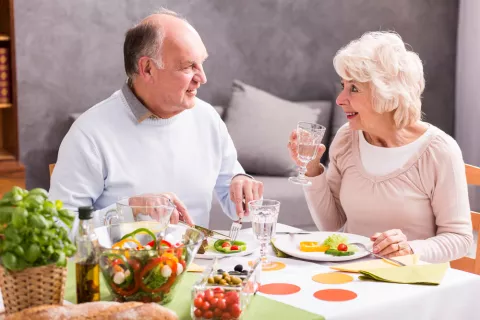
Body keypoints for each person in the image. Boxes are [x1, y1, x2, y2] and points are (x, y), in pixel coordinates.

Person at [49, 9, 263, 233]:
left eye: (201, 63)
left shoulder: (207, 118)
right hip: (123, 266)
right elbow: (59, 229)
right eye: (189, 66)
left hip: (200, 266)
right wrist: (128, 211)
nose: (202, 78)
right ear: (148, 69)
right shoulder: (90, 133)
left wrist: (242, 183)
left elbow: (236, 204)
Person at [288, 31, 473, 263]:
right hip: (351, 275)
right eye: (343, 86)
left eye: (353, 88)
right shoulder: (346, 139)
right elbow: (331, 224)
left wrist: (410, 249)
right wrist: (312, 170)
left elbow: (459, 238)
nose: (340, 99)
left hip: (410, 282)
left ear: (387, 93)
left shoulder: (438, 151)